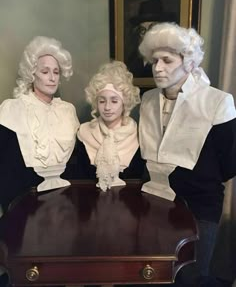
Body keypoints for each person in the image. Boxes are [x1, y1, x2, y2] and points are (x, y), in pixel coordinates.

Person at [138, 23, 236, 286]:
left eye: (167, 60)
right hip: (154, 201)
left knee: (191, 276)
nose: (158, 68)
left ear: (189, 62)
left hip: (199, 205)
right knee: (155, 272)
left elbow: (230, 163)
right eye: (154, 60)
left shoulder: (218, 102)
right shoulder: (147, 100)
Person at [0, 36, 80, 193]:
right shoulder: (12, 109)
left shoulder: (68, 110)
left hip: (63, 194)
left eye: (56, 72)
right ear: (32, 74)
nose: (52, 78)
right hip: (24, 192)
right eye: (45, 71)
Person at [77, 60, 145, 191]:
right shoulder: (84, 133)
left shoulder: (138, 135)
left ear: (124, 102)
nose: (107, 107)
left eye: (114, 101)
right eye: (102, 101)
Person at [127, 0, 178, 77]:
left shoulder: (171, 57)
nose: (147, 34)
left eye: (152, 28)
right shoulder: (133, 59)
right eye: (143, 30)